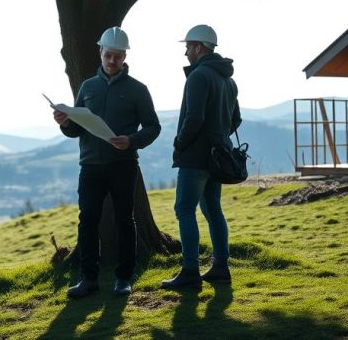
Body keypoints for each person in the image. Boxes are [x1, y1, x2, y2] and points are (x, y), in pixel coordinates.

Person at [53, 26, 161, 299]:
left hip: (123, 164)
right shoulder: (88, 87)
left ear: (125, 57)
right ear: (100, 52)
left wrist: (132, 140)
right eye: (108, 55)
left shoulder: (138, 90)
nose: (112, 61)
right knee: (87, 220)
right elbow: (77, 128)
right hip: (90, 166)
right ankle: (88, 278)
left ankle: (124, 278)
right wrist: (65, 123)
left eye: (118, 56)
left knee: (125, 220)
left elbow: (153, 127)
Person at [161, 24, 242, 290]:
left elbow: (194, 118)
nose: (185, 53)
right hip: (218, 157)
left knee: (184, 210)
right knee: (212, 210)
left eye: (187, 47)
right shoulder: (228, 80)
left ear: (198, 47)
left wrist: (180, 142)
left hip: (195, 158)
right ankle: (221, 268)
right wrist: (217, 137)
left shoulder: (198, 77)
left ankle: (190, 271)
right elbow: (236, 120)